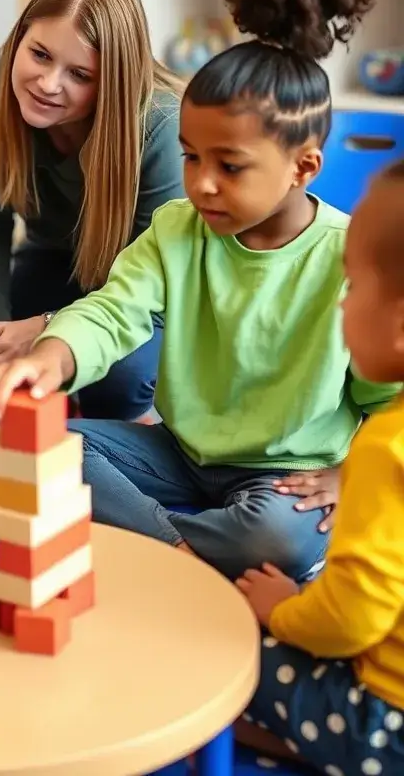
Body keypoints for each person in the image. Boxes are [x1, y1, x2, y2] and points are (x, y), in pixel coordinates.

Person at [0, 0, 403, 584]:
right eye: (192, 158)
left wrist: (351, 472)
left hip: (284, 476)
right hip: (178, 452)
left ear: (304, 167)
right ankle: (183, 557)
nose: (201, 183)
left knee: (276, 534)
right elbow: (114, 310)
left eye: (229, 167)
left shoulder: (346, 257)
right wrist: (52, 356)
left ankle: (154, 539)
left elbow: (387, 396)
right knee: (47, 445)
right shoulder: (179, 227)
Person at [235, 159, 404, 775]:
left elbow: (354, 617)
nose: (341, 307)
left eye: (353, 288)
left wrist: (279, 613)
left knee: (226, 642)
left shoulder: (387, 445)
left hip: (386, 724)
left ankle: (300, 743)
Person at [0, 0, 184, 422]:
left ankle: (119, 430)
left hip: (143, 290)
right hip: (54, 260)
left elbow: (153, 282)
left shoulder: (160, 127)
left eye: (79, 74)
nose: (47, 84)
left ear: (112, 83)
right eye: (39, 54)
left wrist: (49, 327)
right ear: (19, 37)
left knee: (117, 379)